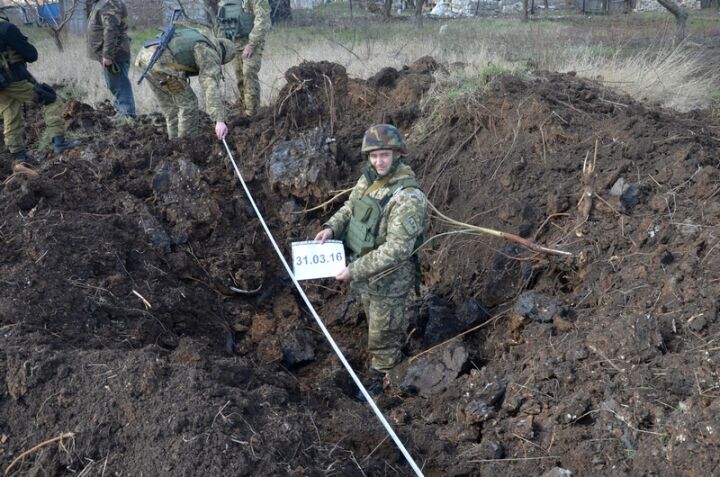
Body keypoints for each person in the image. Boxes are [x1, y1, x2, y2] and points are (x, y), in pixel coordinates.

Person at [315, 124, 428, 374]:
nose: (379, 161)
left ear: (397, 154)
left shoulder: (407, 197)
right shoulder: (369, 178)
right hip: (367, 273)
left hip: (390, 281)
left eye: (384, 155)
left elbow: (397, 249)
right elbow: (350, 207)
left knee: (382, 338)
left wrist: (354, 269)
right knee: (376, 324)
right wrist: (331, 228)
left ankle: (388, 378)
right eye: (374, 155)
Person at [0, 8, 80, 163]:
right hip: (14, 81)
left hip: (2, 87)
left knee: (10, 114)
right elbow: (32, 55)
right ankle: (59, 142)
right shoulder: (6, 28)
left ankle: (19, 156)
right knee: (51, 99)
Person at [135, 27, 235, 140]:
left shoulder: (201, 34)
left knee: (171, 107)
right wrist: (219, 120)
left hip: (145, 57)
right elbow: (210, 85)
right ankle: (186, 146)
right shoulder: (209, 52)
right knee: (188, 104)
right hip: (163, 63)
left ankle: (174, 143)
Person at [216, 0, 271, 117]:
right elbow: (220, 21)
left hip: (252, 42)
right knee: (240, 76)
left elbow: (263, 20)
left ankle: (252, 113)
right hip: (234, 42)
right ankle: (245, 107)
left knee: (248, 73)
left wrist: (252, 44)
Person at [87, 0, 136, 122]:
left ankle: (127, 116)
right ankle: (121, 112)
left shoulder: (107, 3)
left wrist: (108, 55)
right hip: (113, 52)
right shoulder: (101, 3)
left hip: (115, 54)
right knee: (115, 84)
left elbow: (111, 30)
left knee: (119, 84)